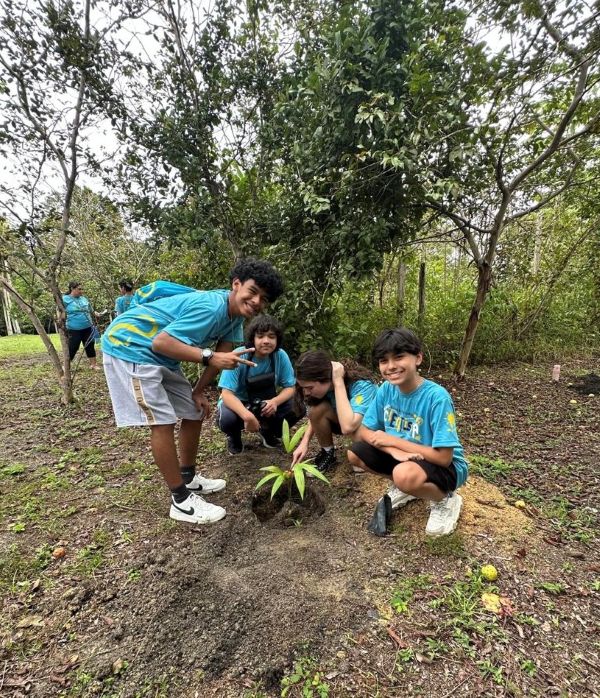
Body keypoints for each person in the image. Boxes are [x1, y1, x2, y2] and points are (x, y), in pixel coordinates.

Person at [100, 259, 284, 526]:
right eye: (253, 291)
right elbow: (162, 343)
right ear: (236, 284)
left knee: (193, 410)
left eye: (263, 299)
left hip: (161, 356)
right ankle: (180, 500)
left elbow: (220, 358)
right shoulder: (211, 307)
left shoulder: (234, 319)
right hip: (131, 346)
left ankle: (188, 477)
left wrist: (198, 391)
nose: (256, 301)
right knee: (162, 420)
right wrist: (209, 356)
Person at [347, 328, 468, 538]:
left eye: (399, 357)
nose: (391, 366)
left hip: (444, 466)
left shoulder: (436, 397)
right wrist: (393, 450)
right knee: (355, 453)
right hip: (406, 458)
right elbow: (363, 431)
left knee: (403, 475)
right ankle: (408, 488)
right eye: (383, 361)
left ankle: (445, 499)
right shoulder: (386, 390)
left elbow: (444, 457)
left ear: (418, 358)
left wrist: (394, 441)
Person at [217, 314, 300, 454]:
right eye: (260, 336)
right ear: (253, 339)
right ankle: (234, 437)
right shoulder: (239, 355)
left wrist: (275, 402)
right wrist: (247, 416)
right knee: (227, 419)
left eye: (271, 337)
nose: (266, 341)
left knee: (298, 404)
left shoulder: (280, 355)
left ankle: (269, 431)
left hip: (265, 402)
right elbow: (226, 394)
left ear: (277, 339)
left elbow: (290, 387)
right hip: (239, 403)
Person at [291, 350, 378, 473]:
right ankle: (328, 453)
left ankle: (366, 452)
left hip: (369, 427)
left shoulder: (362, 385)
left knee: (356, 441)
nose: (306, 392)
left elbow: (348, 427)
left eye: (310, 388)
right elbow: (314, 417)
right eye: (304, 388)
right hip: (345, 423)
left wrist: (338, 382)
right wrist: (304, 442)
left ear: (325, 378)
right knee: (316, 410)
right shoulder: (327, 386)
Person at [62, 281, 104, 370]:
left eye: (82, 289)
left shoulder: (84, 299)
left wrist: (97, 314)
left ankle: (93, 364)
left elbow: (91, 310)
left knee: (90, 345)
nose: (81, 291)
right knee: (73, 347)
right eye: (79, 289)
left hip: (88, 327)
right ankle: (66, 366)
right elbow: (60, 311)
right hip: (73, 329)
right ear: (72, 289)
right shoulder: (65, 299)